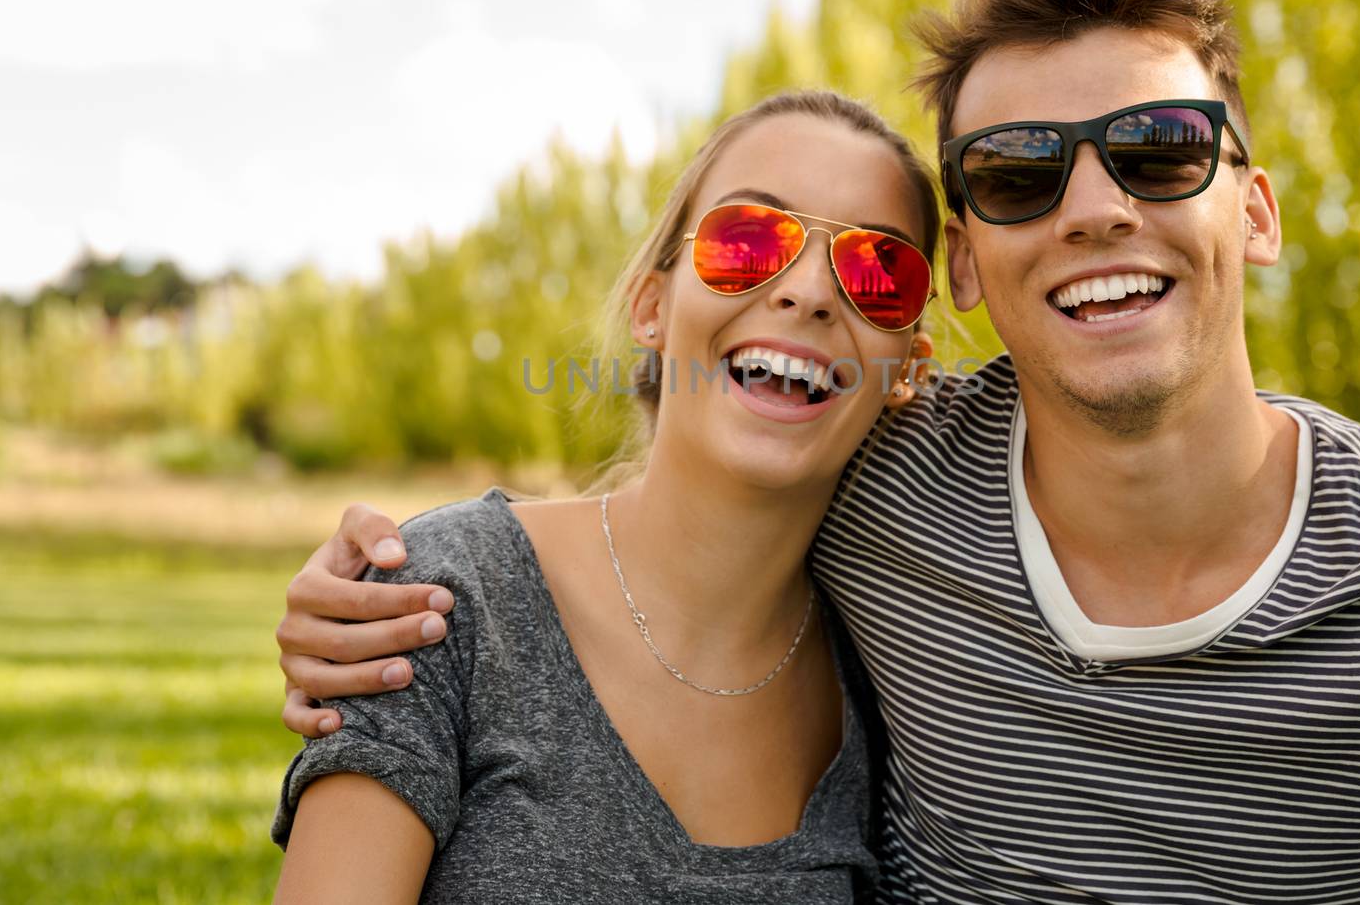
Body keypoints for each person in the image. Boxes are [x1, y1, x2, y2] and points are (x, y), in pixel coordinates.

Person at [275, 0, 1360, 903]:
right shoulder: (879, 490)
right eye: (1015, 174)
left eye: (1159, 150)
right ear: (968, 274)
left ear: (1255, 210)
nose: (1094, 206)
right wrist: (385, 586)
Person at [270, 90, 945, 903]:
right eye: (748, 242)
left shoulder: (888, 681)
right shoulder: (444, 596)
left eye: (880, 271)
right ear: (653, 308)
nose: (809, 293)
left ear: (908, 368)